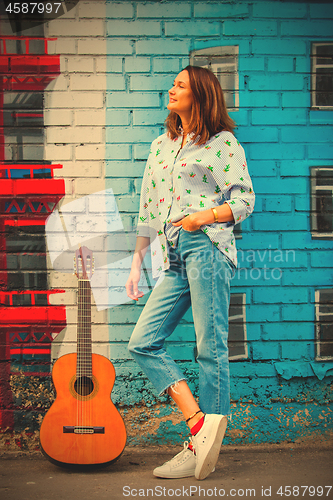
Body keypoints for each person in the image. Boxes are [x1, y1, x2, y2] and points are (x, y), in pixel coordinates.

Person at [126, 65, 255, 480]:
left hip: (207, 246)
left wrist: (204, 216)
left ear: (199, 95)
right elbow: (148, 208)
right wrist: (136, 265)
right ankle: (199, 423)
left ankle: (203, 449)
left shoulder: (222, 143)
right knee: (143, 342)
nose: (171, 89)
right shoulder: (161, 145)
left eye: (180, 85)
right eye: (173, 84)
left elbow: (244, 202)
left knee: (210, 347)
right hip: (172, 254)